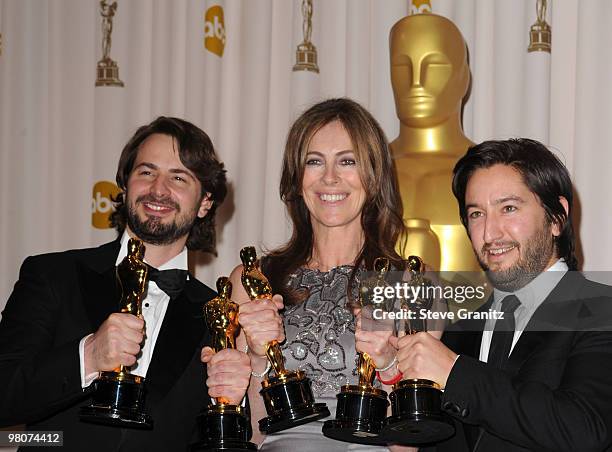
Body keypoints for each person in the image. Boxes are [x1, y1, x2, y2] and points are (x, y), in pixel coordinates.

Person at [0, 116, 252, 451]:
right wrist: (88, 356)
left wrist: (236, 403)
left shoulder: (219, 316)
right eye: (146, 172)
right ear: (125, 184)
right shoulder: (52, 275)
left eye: (178, 177)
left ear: (205, 202)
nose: (158, 189)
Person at [392, 138, 612, 451]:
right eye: (476, 214)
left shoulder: (601, 310)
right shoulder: (455, 334)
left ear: (556, 217)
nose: (490, 233)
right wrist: (391, 367)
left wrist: (453, 372)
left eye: (508, 208)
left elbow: (585, 429)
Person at [227, 98, 416, 451]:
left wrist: (388, 364)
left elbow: (408, 445)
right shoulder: (253, 281)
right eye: (314, 161)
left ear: (374, 176)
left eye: (348, 161)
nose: (330, 178)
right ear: (296, 178)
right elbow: (250, 434)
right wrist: (254, 359)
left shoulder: (409, 284)